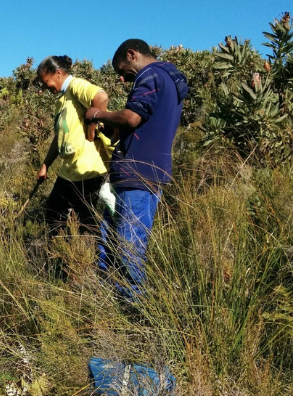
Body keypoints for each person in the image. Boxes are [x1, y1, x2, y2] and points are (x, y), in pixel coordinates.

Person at [84, 39, 189, 301]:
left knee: (129, 246)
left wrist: (97, 115)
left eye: (122, 70)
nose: (121, 79)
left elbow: (132, 117)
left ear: (132, 54)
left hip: (137, 174)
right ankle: (110, 299)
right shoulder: (169, 78)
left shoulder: (150, 74)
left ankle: (135, 310)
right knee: (113, 239)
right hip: (147, 171)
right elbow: (141, 124)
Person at [36, 55, 110, 235]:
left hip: (88, 169)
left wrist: (93, 123)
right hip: (69, 169)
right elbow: (59, 137)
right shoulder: (62, 100)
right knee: (54, 210)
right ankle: (61, 253)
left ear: (58, 73)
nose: (47, 87)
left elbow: (101, 97)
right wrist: (45, 165)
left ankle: (88, 257)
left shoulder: (75, 86)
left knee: (86, 220)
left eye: (47, 82)